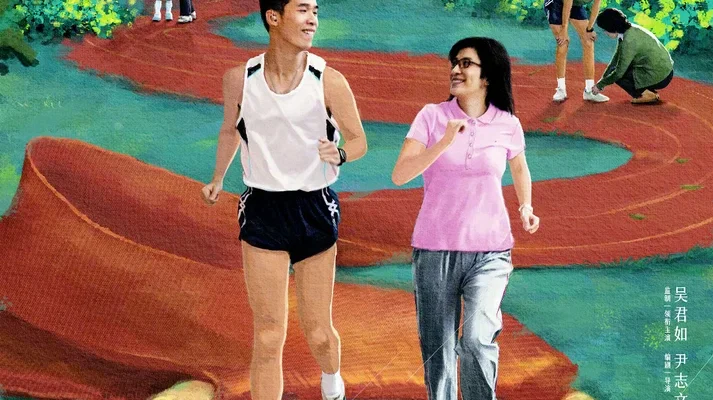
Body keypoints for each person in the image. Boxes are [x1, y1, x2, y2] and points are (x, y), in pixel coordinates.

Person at [200, 0, 368, 399]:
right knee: (269, 333)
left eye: (316, 12)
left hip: (314, 208)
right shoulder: (239, 79)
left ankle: (332, 384)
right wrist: (217, 178)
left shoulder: (329, 81)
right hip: (263, 209)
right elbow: (230, 130)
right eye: (303, 10)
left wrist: (341, 154)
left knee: (319, 332)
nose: (313, 21)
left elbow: (359, 139)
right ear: (273, 18)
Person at [391, 37, 539, 400]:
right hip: (434, 249)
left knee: (476, 339)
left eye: (466, 63)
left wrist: (525, 206)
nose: (455, 70)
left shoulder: (507, 123)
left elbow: (519, 167)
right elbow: (400, 174)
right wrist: (443, 141)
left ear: (487, 75)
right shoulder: (431, 116)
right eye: (454, 63)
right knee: (438, 352)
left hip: (491, 251)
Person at [592, 8, 674, 104]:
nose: (605, 33)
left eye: (605, 30)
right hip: (664, 70)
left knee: (619, 75)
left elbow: (619, 72)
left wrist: (600, 85)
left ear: (613, 28)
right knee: (616, 70)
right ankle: (647, 91)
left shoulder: (628, 41)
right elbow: (616, 59)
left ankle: (645, 94)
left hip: (660, 76)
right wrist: (601, 82)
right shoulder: (629, 30)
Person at [545, 0, 610, 102]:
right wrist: (564, 29)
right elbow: (567, 3)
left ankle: (589, 90)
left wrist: (589, 29)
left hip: (575, 5)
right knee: (563, 42)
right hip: (556, 4)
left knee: (588, 41)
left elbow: (596, 6)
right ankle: (561, 89)